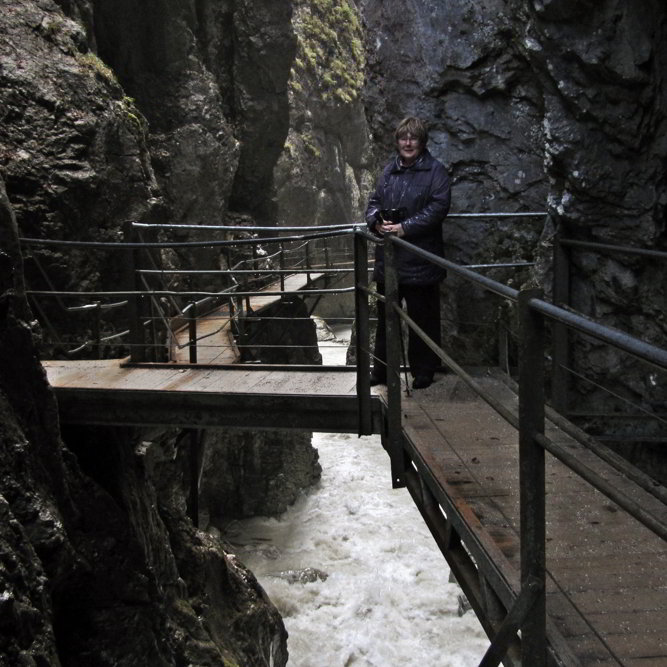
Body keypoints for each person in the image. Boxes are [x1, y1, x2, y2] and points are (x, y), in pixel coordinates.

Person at [365, 116, 451, 389]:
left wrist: (405, 228)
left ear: (422, 142)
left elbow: (439, 207)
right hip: (389, 259)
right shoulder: (389, 172)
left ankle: (424, 371)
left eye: (413, 138)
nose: (408, 143)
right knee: (385, 318)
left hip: (421, 259)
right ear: (398, 141)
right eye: (404, 138)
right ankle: (381, 371)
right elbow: (374, 202)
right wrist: (376, 221)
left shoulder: (435, 171)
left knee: (422, 318)